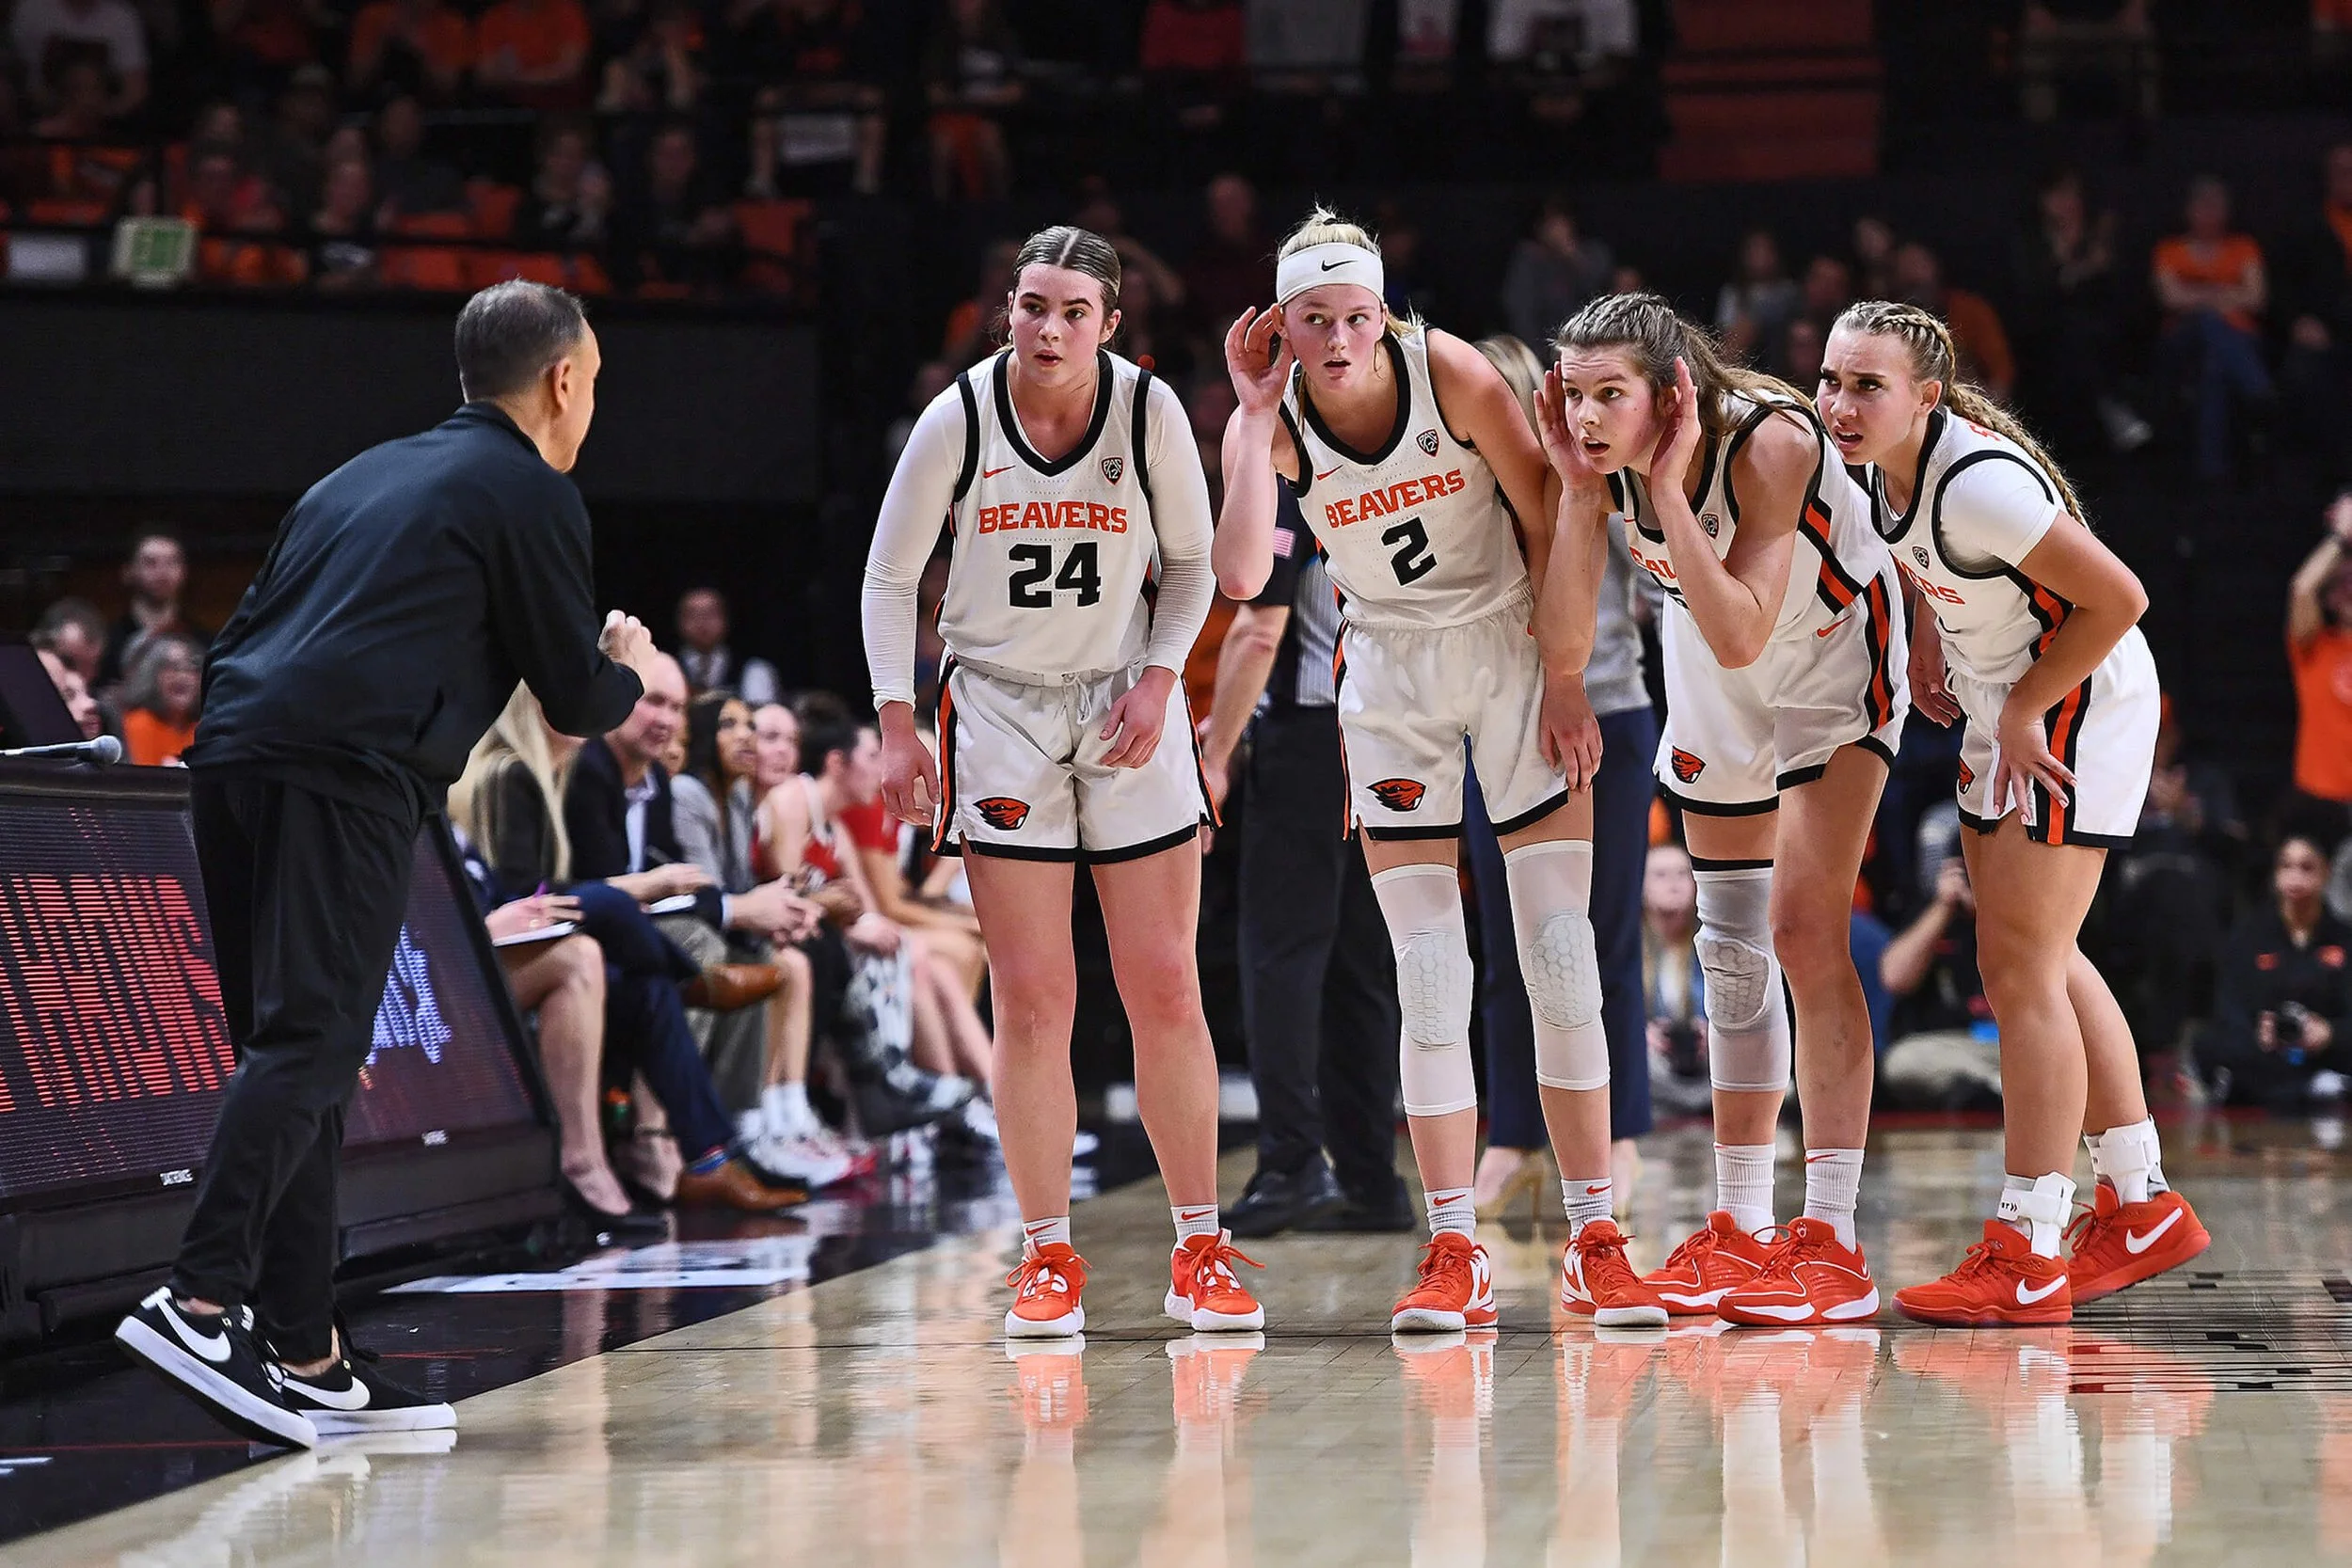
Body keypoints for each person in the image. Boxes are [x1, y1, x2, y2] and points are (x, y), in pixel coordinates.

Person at [111, 282, 654, 1450]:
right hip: (344, 770)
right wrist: (631, 667)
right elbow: (573, 693)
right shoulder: (530, 489)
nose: (591, 400)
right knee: (311, 1039)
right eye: (595, 381)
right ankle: (200, 1298)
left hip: (236, 754)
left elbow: (250, 628)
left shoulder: (353, 476)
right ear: (564, 380)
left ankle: (306, 1350)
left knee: (294, 1043)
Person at [1218, 209, 1662, 1332]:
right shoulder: (1277, 417)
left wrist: (1566, 673)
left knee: (1560, 954)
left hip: (1509, 646)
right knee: (1428, 971)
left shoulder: (1450, 368)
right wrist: (1248, 415)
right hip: (1389, 679)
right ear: (1283, 323)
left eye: (1352, 315)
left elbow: (1553, 510)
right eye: (1310, 319)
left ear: (1381, 312)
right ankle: (1452, 1243)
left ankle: (1597, 1233)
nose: (1334, 338)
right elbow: (1235, 573)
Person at [865, 225, 1263, 1340]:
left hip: (1122, 699)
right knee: (1034, 999)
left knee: (1164, 984)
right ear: (1008, 311)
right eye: (1031, 305)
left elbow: (1191, 567)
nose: (1047, 328)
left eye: (1071, 311)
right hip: (996, 705)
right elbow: (890, 575)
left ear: (1109, 323)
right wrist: (898, 723)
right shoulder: (960, 413)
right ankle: (1045, 1257)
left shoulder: (1146, 413)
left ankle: (1199, 1248)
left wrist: (1156, 677)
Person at [1818, 298, 2208, 1325]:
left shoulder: (1978, 484)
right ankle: (2140, 1200)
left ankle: (2028, 1244)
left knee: (2020, 966)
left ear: (1926, 398)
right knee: (2036, 949)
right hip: (2009, 687)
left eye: (1865, 385)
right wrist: (1933, 640)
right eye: (1830, 379)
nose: (1839, 402)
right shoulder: (1879, 463)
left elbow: (2118, 597)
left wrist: (2027, 702)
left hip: (2072, 692)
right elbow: (1917, 560)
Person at [1548, 291, 1908, 1326]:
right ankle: (1738, 1224)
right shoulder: (1593, 455)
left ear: (1669, 392)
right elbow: (1567, 652)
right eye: (1572, 393)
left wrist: (1662, 489)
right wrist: (1581, 495)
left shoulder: (1772, 437)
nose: (1583, 416)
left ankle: (1831, 1239)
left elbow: (1751, 629)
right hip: (1711, 652)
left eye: (1607, 393)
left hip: (1829, 653)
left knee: (1802, 933)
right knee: (1729, 950)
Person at [448, 683, 810, 1212]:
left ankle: (712, 1155)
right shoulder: (513, 774)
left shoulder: (568, 775)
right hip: (495, 947)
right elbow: (526, 894)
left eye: (676, 707)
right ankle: (696, 986)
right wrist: (640, 889)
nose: (587, 713)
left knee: (650, 990)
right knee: (620, 908)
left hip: (538, 935)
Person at [1463, 334, 1656, 1225]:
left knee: (1601, 933)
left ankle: (1619, 1134)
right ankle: (1511, 1134)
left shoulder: (1598, 480)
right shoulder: (1465, 492)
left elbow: (1652, 597)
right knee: (1505, 945)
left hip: (1603, 711)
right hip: (1493, 723)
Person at [1198, 459, 1408, 1241]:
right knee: (1362, 963)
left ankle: (1290, 1163)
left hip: (1311, 736)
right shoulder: (1394, 466)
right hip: (1392, 737)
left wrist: (1217, 753)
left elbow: (1259, 629)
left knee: (1280, 954)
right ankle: (1370, 1174)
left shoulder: (1291, 486)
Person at [2203, 836, 2352, 1109]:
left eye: (2307, 868)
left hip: (2327, 1055)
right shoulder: (2249, 936)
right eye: (2286, 866)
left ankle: (2318, 1085)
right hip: (2263, 1057)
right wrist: (2259, 1033)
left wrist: (2329, 1032)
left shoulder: (2344, 938)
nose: (2295, 877)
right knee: (2212, 1045)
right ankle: (2307, 1089)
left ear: (2325, 873)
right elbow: (2229, 1006)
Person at [2152, 176, 2272, 482]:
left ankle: (2212, 474)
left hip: (2240, 339)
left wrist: (2198, 295)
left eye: (2215, 204)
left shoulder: (2243, 247)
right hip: (2181, 340)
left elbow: (2256, 298)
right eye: (2202, 204)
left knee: (2214, 367)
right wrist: (2225, 296)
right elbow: (2170, 298)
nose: (2209, 212)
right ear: (2189, 210)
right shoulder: (2170, 250)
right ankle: (2258, 389)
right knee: (2206, 321)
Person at [2286, 494, 2352, 845]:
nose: (2350, 586)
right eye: (2342, 580)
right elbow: (2302, 588)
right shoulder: (2315, 646)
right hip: (2320, 800)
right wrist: (2341, 537)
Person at [1640, 842, 1711, 1117]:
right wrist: (1641, 1036)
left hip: (1705, 1064)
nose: (1674, 883)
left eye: (1683, 874)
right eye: (1660, 875)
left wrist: (1713, 1032)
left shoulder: (1710, 943)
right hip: (1652, 1068)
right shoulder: (1627, 949)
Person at [100, 532, 210, 692]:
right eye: (151, 563)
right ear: (128, 572)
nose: (162, 572)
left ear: (184, 571)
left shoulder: (203, 642)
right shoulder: (107, 643)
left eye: (172, 562)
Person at [675, 586, 779, 705]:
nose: (702, 622)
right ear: (679, 621)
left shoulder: (754, 670)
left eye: (711, 614)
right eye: (693, 614)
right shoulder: (661, 668)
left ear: (725, 619)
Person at [118, 631, 205, 765]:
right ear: (152, 677)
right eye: (173, 667)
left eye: (191, 667)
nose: (182, 676)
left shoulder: (205, 728)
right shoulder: (139, 723)